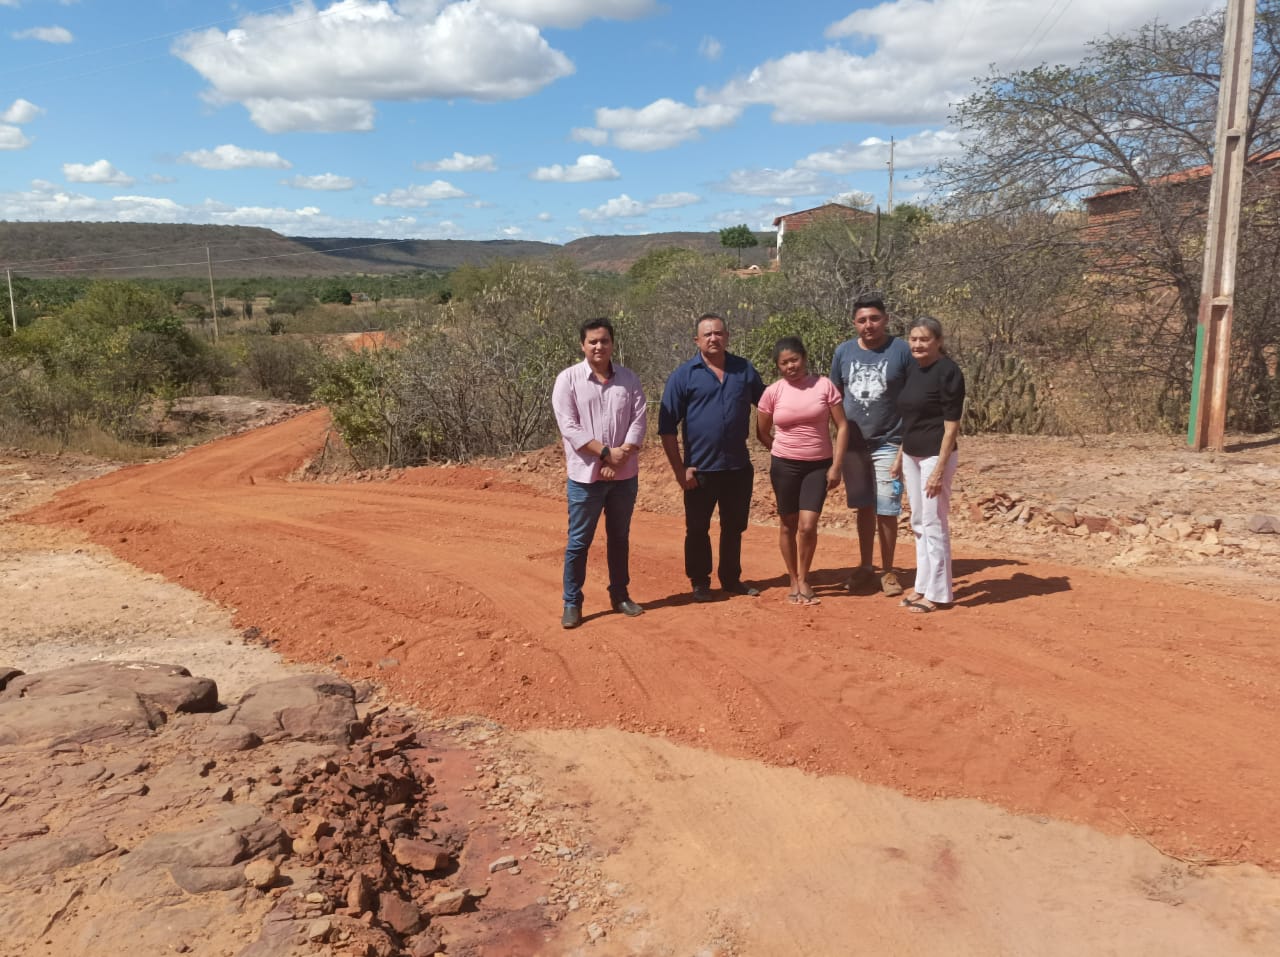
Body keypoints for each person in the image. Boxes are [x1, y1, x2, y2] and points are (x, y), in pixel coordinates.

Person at [659, 313, 766, 602]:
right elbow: (667, 429)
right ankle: (700, 582)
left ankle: (731, 579)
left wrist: (768, 437)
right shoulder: (684, 376)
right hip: (700, 470)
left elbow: (768, 403)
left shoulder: (743, 370)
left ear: (727, 336)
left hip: (737, 467)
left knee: (734, 527)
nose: (713, 338)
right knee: (697, 529)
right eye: (707, 335)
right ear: (697, 340)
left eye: (718, 333)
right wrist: (680, 470)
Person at [551, 317, 648, 629]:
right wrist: (606, 454)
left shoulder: (629, 379)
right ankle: (572, 602)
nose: (599, 346)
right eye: (592, 341)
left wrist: (620, 456)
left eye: (604, 341)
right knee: (579, 540)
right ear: (583, 345)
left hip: (624, 475)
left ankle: (620, 595)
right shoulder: (567, 380)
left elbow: (639, 420)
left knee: (619, 538)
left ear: (612, 344)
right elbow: (569, 427)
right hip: (585, 477)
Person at [830, 291, 914, 598]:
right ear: (854, 323)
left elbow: (915, 396)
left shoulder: (901, 350)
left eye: (875, 319)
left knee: (887, 508)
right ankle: (866, 566)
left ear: (886, 319)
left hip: (889, 441)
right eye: (862, 320)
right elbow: (834, 398)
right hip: (853, 445)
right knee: (863, 507)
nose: (869, 325)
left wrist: (906, 444)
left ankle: (888, 570)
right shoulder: (844, 352)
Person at [755, 337, 850, 605]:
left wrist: (836, 466)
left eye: (794, 360)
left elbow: (842, 426)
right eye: (784, 363)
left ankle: (805, 578)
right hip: (784, 465)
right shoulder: (773, 392)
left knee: (808, 526)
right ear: (778, 366)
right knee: (788, 524)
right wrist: (781, 450)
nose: (790, 366)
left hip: (817, 465)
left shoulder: (824, 386)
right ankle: (793, 579)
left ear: (804, 358)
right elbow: (762, 431)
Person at [891, 316, 966, 613]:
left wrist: (938, 470)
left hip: (936, 455)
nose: (918, 345)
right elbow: (910, 420)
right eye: (914, 339)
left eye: (924, 339)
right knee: (918, 522)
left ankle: (938, 593)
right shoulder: (914, 369)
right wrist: (899, 457)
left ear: (939, 341)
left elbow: (951, 427)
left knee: (934, 523)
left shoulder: (948, 372)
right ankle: (922, 585)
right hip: (911, 453)